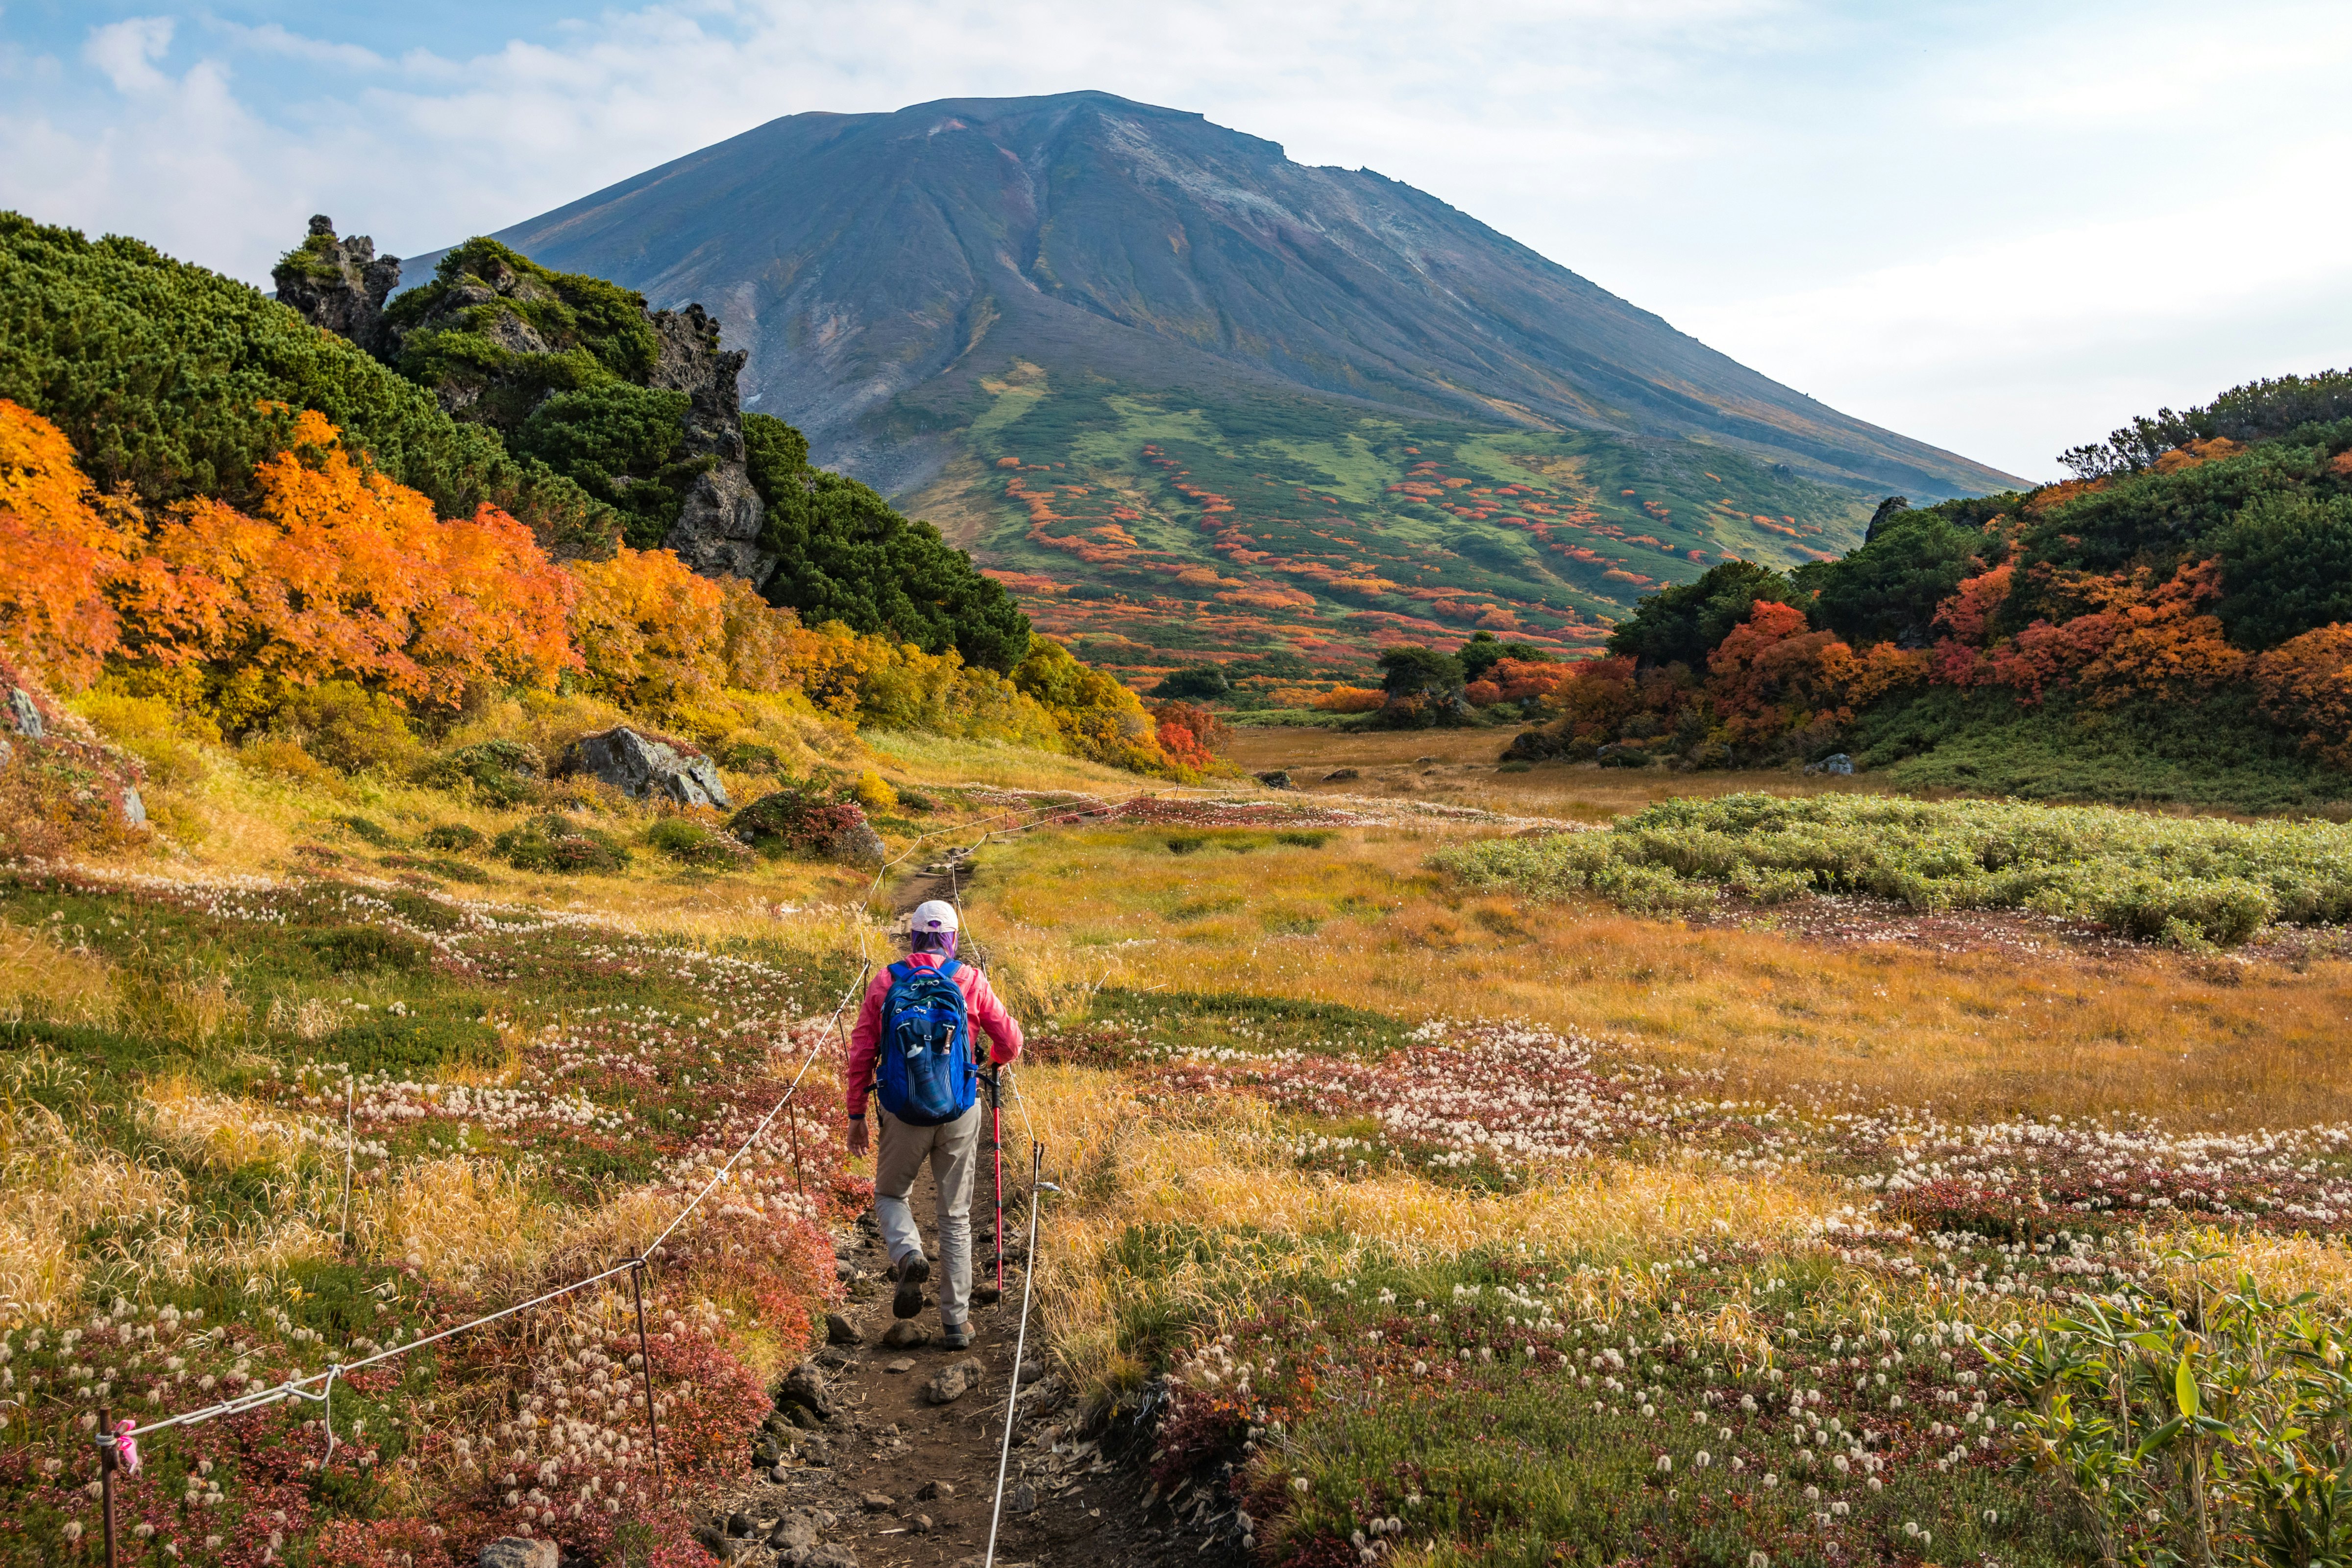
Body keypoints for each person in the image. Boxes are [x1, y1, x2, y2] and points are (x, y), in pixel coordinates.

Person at [844, 899, 1023, 1350]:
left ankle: (909, 1254)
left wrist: (857, 1115)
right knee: (956, 1216)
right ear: (953, 939)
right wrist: (989, 1063)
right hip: (960, 1109)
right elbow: (1011, 1041)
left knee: (889, 1194)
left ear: (913, 937)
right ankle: (956, 1323)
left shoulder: (886, 981)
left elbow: (862, 1052)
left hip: (903, 1113)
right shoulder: (969, 979)